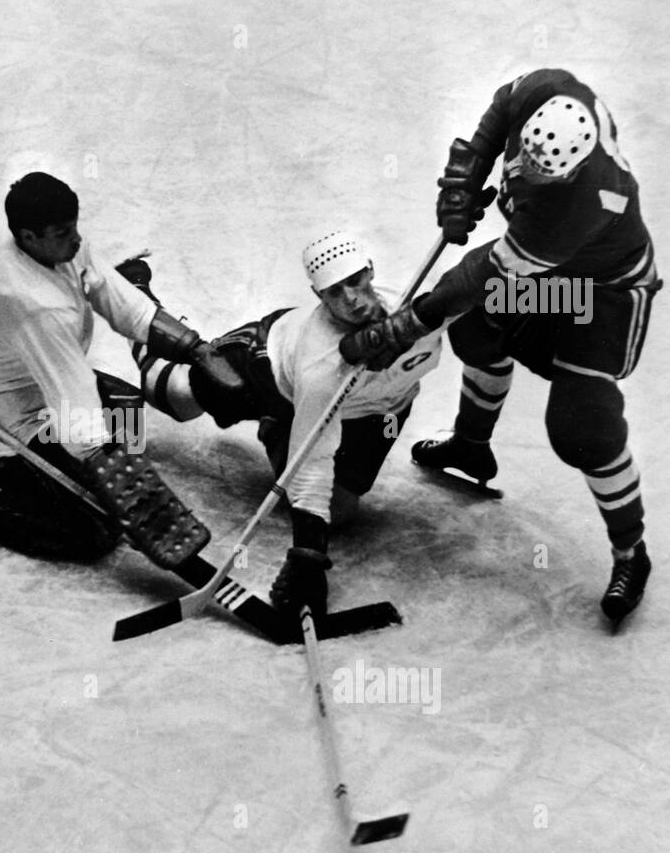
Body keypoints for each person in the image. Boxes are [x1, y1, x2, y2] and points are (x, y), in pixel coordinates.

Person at [337, 68, 660, 626]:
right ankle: (470, 446)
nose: (527, 176)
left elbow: (481, 275)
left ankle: (633, 551)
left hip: (600, 296)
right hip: (550, 277)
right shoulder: (544, 89)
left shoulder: (583, 206)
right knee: (476, 330)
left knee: (581, 426)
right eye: (524, 160)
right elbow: (495, 118)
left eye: (543, 173)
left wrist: (404, 327)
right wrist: (463, 183)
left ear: (574, 166)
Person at [0, 171, 242, 569]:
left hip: (41, 378)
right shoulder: (29, 302)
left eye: (74, 228)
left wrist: (194, 348)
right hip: (3, 414)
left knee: (127, 415)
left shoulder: (56, 244)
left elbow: (120, 299)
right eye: (62, 233)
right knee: (89, 533)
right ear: (28, 237)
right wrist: (116, 479)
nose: (75, 239)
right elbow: (72, 394)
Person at [128, 230, 443, 623]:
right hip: (263, 372)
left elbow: (481, 292)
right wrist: (309, 555)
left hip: (377, 411)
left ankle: (281, 429)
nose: (351, 300)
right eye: (334, 292)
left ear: (371, 270)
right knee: (171, 393)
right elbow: (315, 462)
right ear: (318, 297)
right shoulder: (321, 362)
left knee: (340, 514)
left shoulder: (422, 307)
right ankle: (137, 297)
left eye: (356, 281)